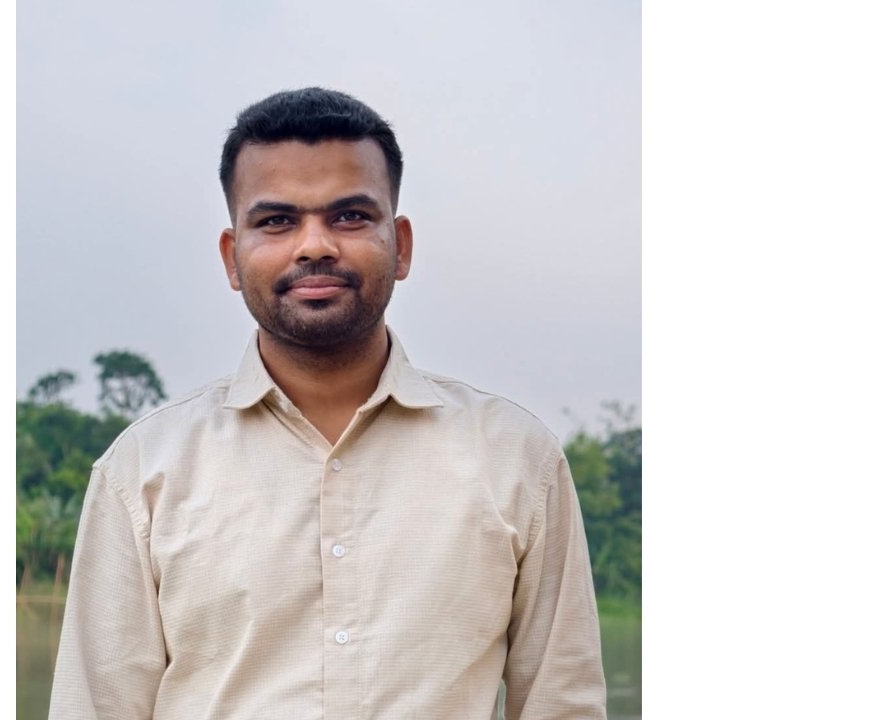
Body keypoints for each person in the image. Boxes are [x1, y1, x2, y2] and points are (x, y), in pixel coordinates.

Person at [49, 87, 606, 719]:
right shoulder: (143, 470)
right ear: (232, 258)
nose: (314, 245)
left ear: (401, 245)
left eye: (349, 216)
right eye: (277, 221)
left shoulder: (516, 459)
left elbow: (562, 704)